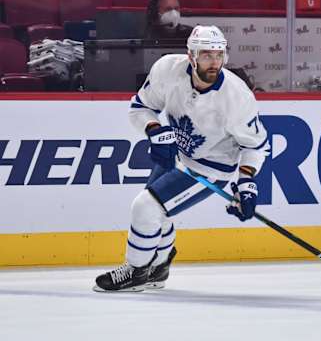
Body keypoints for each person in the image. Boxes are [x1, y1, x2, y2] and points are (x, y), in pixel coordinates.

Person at [93, 25, 270, 292]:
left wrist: (246, 183)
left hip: (212, 168)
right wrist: (154, 130)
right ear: (191, 56)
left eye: (219, 55)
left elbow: (256, 145)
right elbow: (140, 108)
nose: (214, 62)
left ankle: (136, 272)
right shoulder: (167, 69)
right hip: (179, 157)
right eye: (207, 55)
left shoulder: (237, 97)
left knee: (145, 208)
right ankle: (159, 267)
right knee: (156, 214)